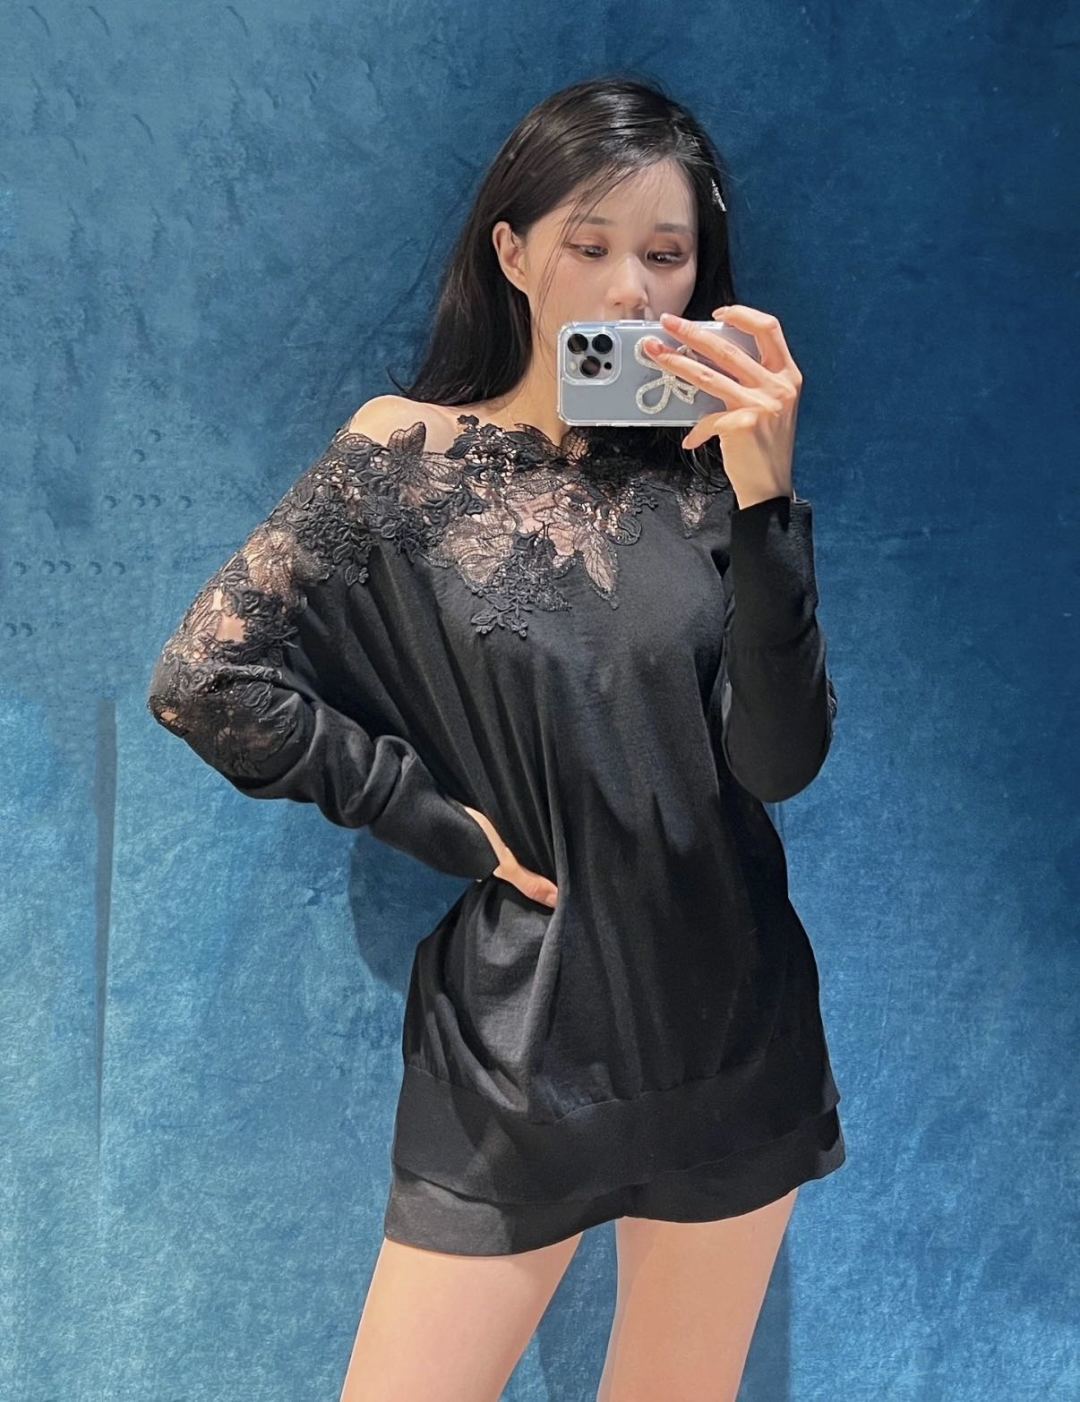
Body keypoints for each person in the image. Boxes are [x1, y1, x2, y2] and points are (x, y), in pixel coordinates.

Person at [147, 75, 846, 1402]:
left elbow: (780, 763)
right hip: (520, 1050)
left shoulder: (714, 472)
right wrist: (429, 816)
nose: (631, 288)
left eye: (667, 254)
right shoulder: (401, 456)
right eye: (590, 243)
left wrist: (770, 507)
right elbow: (204, 678)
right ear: (513, 253)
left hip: (734, 1029)